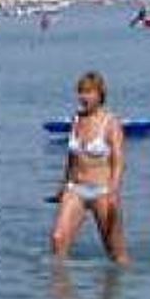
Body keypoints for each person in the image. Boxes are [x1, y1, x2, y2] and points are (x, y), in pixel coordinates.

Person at [49, 70, 130, 266]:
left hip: (102, 191)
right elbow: (71, 157)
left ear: (100, 94)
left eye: (88, 92)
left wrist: (113, 191)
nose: (83, 97)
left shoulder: (111, 123)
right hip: (75, 189)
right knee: (58, 239)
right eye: (81, 92)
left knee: (115, 253)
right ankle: (61, 293)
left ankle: (118, 293)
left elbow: (119, 161)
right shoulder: (77, 119)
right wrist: (62, 186)